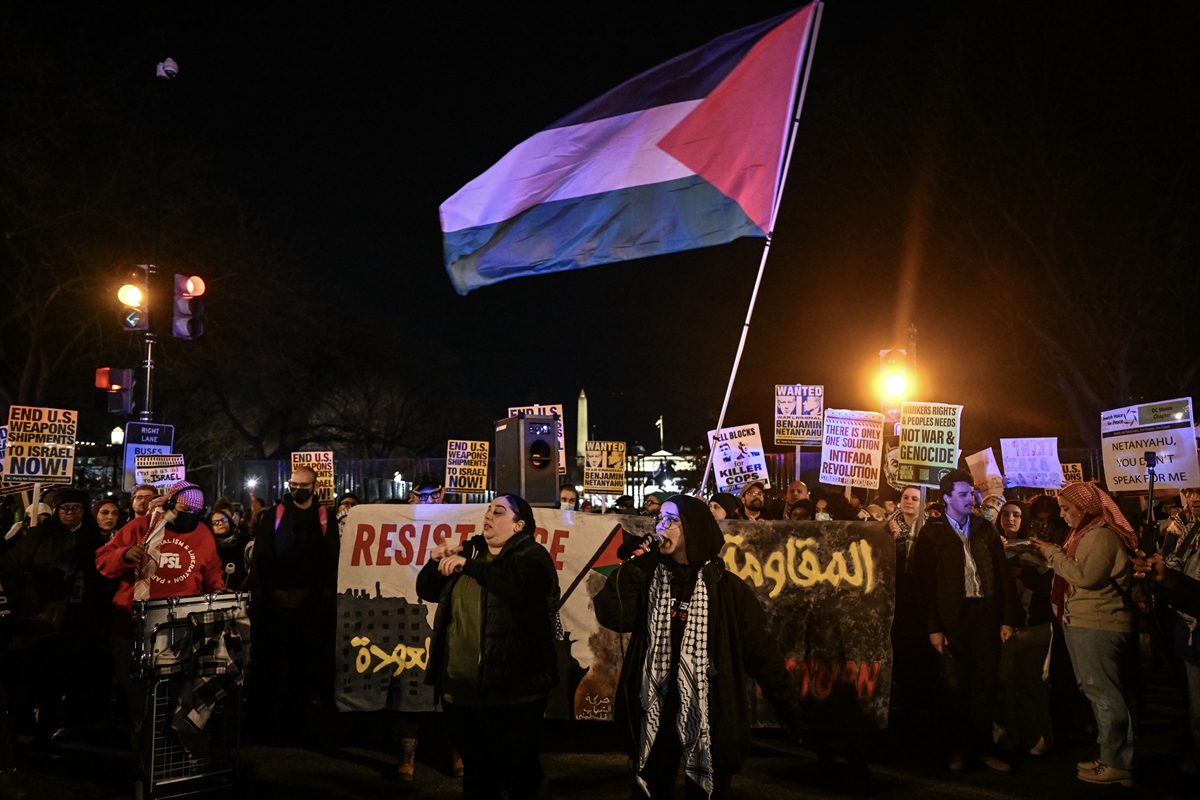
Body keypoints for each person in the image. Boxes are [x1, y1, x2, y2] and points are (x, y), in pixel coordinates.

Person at [593, 495, 802, 798]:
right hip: (657, 710)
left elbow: (760, 651)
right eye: (659, 519)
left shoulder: (727, 589)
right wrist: (639, 567)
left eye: (671, 520)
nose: (661, 526)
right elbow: (612, 613)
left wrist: (788, 706)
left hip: (709, 711)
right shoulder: (649, 578)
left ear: (693, 529)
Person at [417, 495, 559, 799]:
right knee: (479, 775)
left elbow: (517, 586)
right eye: (488, 510)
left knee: (521, 774)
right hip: (462, 692)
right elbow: (427, 590)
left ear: (519, 524)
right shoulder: (471, 552)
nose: (489, 515)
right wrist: (435, 562)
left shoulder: (532, 555)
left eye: (499, 511)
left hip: (514, 694)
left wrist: (468, 566)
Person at [95, 481, 223, 756]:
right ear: (167, 504)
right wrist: (124, 554)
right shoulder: (141, 527)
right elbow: (102, 560)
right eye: (181, 512)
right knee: (143, 703)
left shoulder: (202, 533)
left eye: (193, 514)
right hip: (134, 629)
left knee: (181, 698)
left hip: (182, 630)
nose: (186, 519)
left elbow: (211, 568)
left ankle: (178, 759)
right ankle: (146, 764)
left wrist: (218, 589)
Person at [1028, 482, 1139, 787]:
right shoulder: (1083, 534)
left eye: (1066, 508)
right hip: (1087, 622)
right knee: (1104, 694)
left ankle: (1115, 762)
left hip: (1097, 624)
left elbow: (1084, 576)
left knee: (1104, 695)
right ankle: (1112, 758)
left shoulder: (1099, 535)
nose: (1062, 515)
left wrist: (1052, 553)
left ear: (1085, 507)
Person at [910, 469, 1017, 772]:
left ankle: (984, 749)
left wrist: (1007, 618)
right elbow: (925, 586)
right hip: (951, 617)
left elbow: (1002, 576)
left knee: (985, 684)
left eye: (970, 493)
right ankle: (957, 749)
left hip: (984, 614)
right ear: (945, 499)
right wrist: (934, 627)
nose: (970, 499)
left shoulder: (986, 529)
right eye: (962, 494)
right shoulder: (932, 533)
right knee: (955, 687)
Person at [251, 465, 339, 743]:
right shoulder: (273, 515)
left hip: (310, 606)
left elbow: (329, 560)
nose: (297, 489)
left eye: (303, 485)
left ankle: (295, 726)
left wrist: (307, 592)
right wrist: (276, 591)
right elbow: (262, 557)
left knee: (303, 669)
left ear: (315, 487)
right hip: (274, 605)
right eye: (293, 483)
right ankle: (266, 726)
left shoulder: (326, 517)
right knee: (269, 668)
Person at [994, 500, 1055, 757]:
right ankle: (1007, 736)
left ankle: (1039, 736)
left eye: (1016, 515)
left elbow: (1050, 583)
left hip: (1034, 625)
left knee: (1034, 684)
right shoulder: (990, 546)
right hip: (1002, 627)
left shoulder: (1036, 548)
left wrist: (1024, 574)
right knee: (1003, 684)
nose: (1010, 519)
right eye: (1005, 514)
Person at [1163, 486, 1200, 772]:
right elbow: (1170, 565)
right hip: (1189, 631)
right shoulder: (1184, 530)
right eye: (1190, 491)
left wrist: (1170, 581)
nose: (1195, 498)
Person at [207, 510, 247, 591]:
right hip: (216, 590)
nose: (221, 523)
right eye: (216, 523)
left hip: (241, 589)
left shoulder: (243, 541)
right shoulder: (208, 545)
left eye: (224, 520)